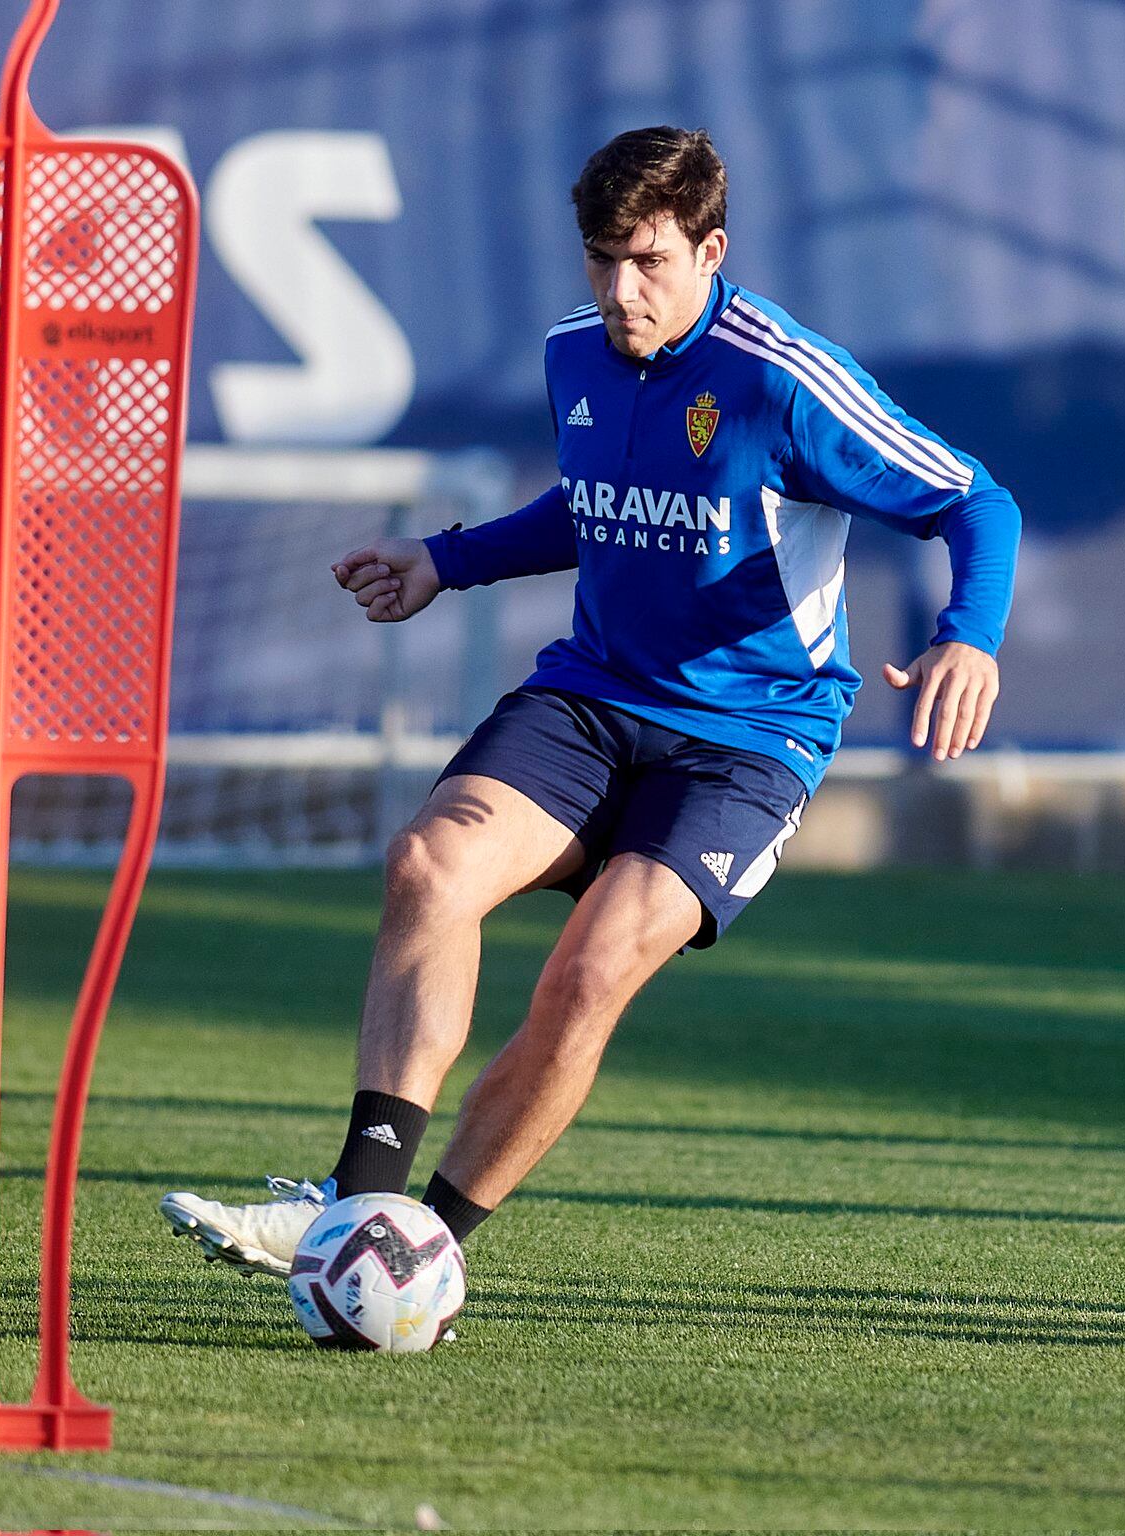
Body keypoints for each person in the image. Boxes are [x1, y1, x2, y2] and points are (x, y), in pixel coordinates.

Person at [158, 125, 1020, 1276]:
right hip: (592, 694)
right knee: (427, 864)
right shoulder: (576, 353)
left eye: (650, 261)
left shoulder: (781, 378)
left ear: (711, 249)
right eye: (600, 259)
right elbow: (594, 500)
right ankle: (348, 1214)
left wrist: (967, 638)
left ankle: (420, 1253)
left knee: (589, 969)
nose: (621, 291)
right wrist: (444, 560)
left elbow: (978, 503)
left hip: (747, 739)